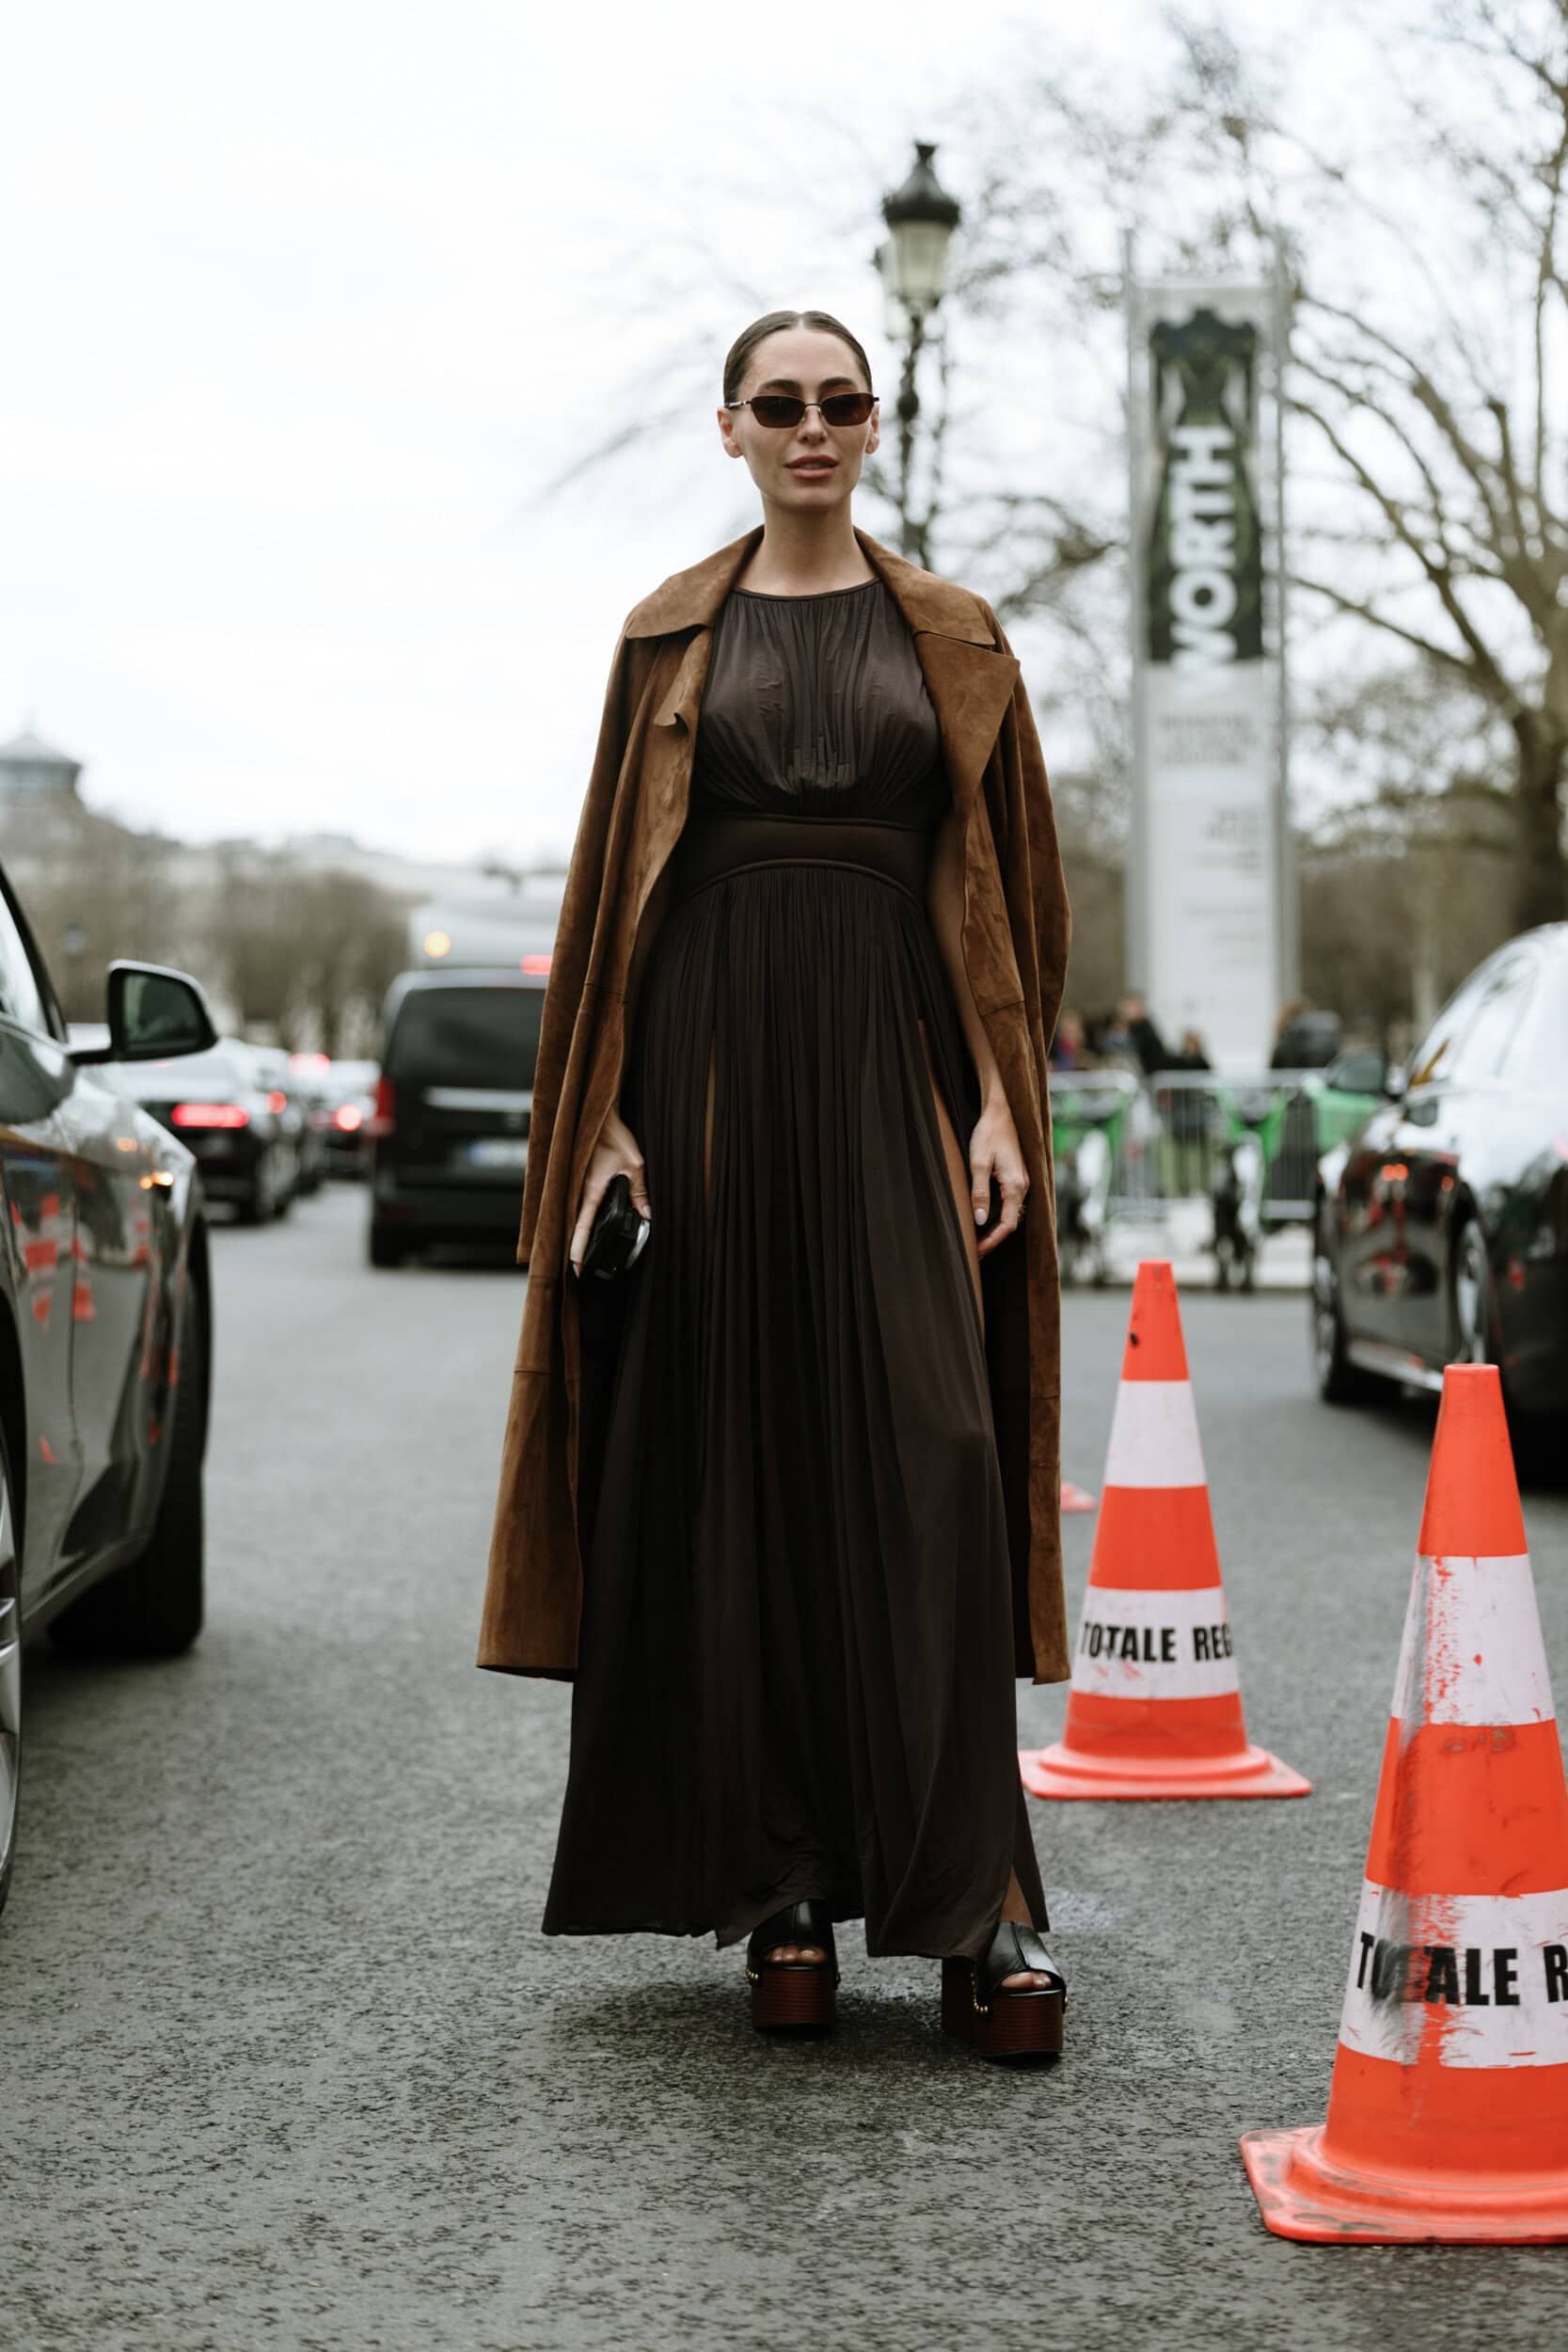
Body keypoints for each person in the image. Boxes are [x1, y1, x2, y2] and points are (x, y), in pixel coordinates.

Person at [478, 309, 1071, 2062]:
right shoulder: (669, 631)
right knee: (737, 1470)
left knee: (933, 1457)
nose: (814, 428)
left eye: (843, 403)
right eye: (781, 404)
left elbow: (1006, 907)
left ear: (875, 428)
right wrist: (600, 1121)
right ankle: (783, 1890)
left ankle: (980, 1907)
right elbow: (607, 912)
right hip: (709, 1078)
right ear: (729, 428)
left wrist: (997, 1102)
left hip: (894, 1070)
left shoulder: (953, 634)